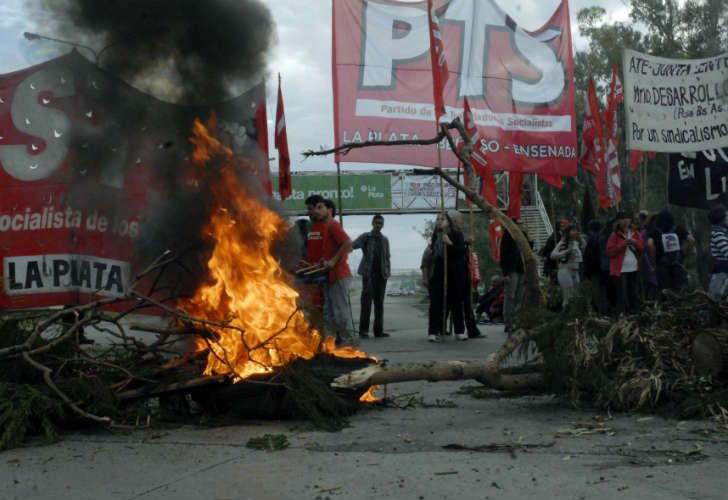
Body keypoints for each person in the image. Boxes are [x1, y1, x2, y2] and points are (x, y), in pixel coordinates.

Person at [315, 198, 354, 345]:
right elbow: (339, 249)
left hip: (339, 275)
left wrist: (333, 261)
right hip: (331, 276)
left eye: (320, 207)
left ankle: (347, 344)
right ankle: (332, 344)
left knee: (339, 312)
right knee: (330, 313)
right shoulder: (327, 228)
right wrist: (325, 261)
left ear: (329, 210)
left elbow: (348, 243)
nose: (316, 211)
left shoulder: (333, 226)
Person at [427, 211, 469, 342]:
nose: (439, 221)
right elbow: (435, 252)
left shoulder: (456, 233)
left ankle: (459, 331)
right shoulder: (436, 234)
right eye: (438, 219)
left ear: (449, 221)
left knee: (456, 302)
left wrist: (449, 243)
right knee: (436, 303)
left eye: (442, 219)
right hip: (439, 272)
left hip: (454, 272)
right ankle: (434, 331)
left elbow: (461, 250)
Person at [352, 214, 391, 338]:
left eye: (380, 223)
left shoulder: (385, 240)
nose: (378, 225)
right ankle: (363, 331)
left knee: (379, 304)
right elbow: (353, 245)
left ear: (383, 225)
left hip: (381, 276)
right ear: (372, 223)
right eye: (376, 223)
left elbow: (387, 257)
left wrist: (387, 271)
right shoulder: (366, 237)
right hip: (368, 275)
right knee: (366, 303)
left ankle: (378, 331)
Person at [646, 209, 692, 294]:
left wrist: (653, 260)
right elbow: (691, 239)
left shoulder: (656, 231)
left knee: (665, 289)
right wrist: (683, 251)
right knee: (680, 288)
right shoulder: (678, 228)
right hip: (678, 263)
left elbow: (649, 244)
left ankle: (667, 305)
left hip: (662, 264)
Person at [607, 212, 644, 314]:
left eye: (627, 218)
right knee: (622, 295)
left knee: (633, 293)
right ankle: (622, 316)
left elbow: (642, 248)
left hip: (634, 268)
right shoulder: (614, 235)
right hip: (620, 270)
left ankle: (635, 314)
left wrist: (635, 242)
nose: (625, 220)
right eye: (623, 219)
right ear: (618, 221)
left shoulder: (635, 233)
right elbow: (610, 252)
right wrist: (623, 244)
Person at [500, 218, 532, 332]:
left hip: (522, 269)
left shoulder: (524, 236)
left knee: (520, 296)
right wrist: (505, 273)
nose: (521, 225)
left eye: (522, 223)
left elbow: (529, 251)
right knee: (510, 296)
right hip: (512, 270)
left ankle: (517, 320)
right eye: (519, 223)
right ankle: (509, 321)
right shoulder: (508, 236)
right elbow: (503, 256)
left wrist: (529, 240)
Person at [550, 225, 583, 308]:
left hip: (576, 271)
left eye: (577, 230)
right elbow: (553, 255)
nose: (575, 232)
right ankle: (566, 313)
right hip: (565, 270)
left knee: (576, 295)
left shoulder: (579, 243)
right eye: (573, 230)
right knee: (568, 296)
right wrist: (565, 253)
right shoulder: (563, 243)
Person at [583, 220, 609, 314]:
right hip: (604, 269)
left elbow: (588, 256)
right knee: (603, 291)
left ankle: (600, 312)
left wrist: (586, 271)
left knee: (596, 291)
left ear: (590, 229)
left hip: (595, 269)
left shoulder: (592, 240)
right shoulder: (604, 238)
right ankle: (605, 310)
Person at [539, 218, 570, 284]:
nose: (564, 228)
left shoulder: (565, 237)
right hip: (553, 266)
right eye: (562, 226)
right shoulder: (553, 238)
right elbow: (547, 252)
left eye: (564, 226)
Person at [708, 205, 728, 299]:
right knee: (715, 299)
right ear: (722, 219)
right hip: (721, 272)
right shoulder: (718, 234)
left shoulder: (723, 232)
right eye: (726, 216)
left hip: (724, 271)